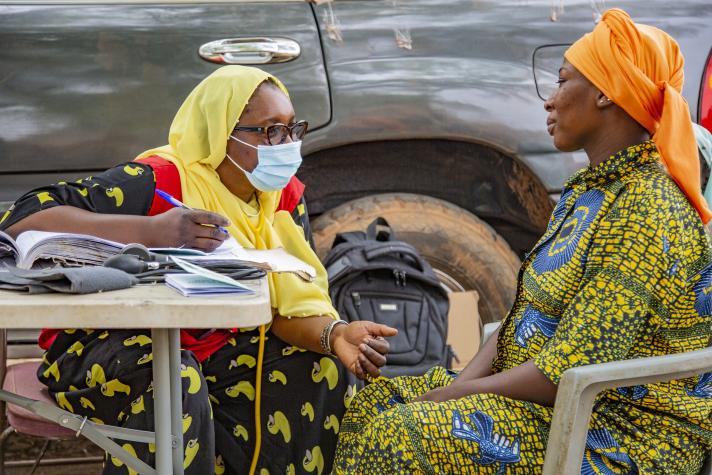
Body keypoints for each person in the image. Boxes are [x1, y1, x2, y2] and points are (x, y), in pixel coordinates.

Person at [332, 9, 712, 475]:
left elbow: (570, 369)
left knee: (405, 434)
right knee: (379, 402)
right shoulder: (589, 191)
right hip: (555, 405)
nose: (550, 101)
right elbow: (520, 322)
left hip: (621, 433)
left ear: (605, 94)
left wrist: (447, 398)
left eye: (562, 81)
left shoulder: (646, 208)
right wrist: (448, 389)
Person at [0, 65, 398, 474]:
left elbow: (285, 310)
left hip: (212, 345)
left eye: (293, 129)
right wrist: (151, 230)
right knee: (175, 379)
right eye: (270, 131)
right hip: (105, 346)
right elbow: (21, 216)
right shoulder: (158, 181)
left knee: (316, 368)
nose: (287, 145)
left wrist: (335, 335)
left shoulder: (281, 199)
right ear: (220, 133)